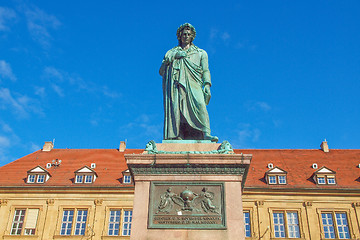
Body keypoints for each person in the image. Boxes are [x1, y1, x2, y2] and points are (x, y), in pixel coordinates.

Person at [159, 23, 218, 142]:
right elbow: (161, 71)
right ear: (180, 36)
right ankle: (177, 134)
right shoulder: (171, 52)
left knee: (200, 105)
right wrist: (174, 56)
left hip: (194, 83)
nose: (186, 36)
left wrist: (207, 85)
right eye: (184, 34)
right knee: (177, 109)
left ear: (192, 37)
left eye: (189, 34)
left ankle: (205, 133)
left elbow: (206, 70)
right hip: (176, 85)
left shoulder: (201, 53)